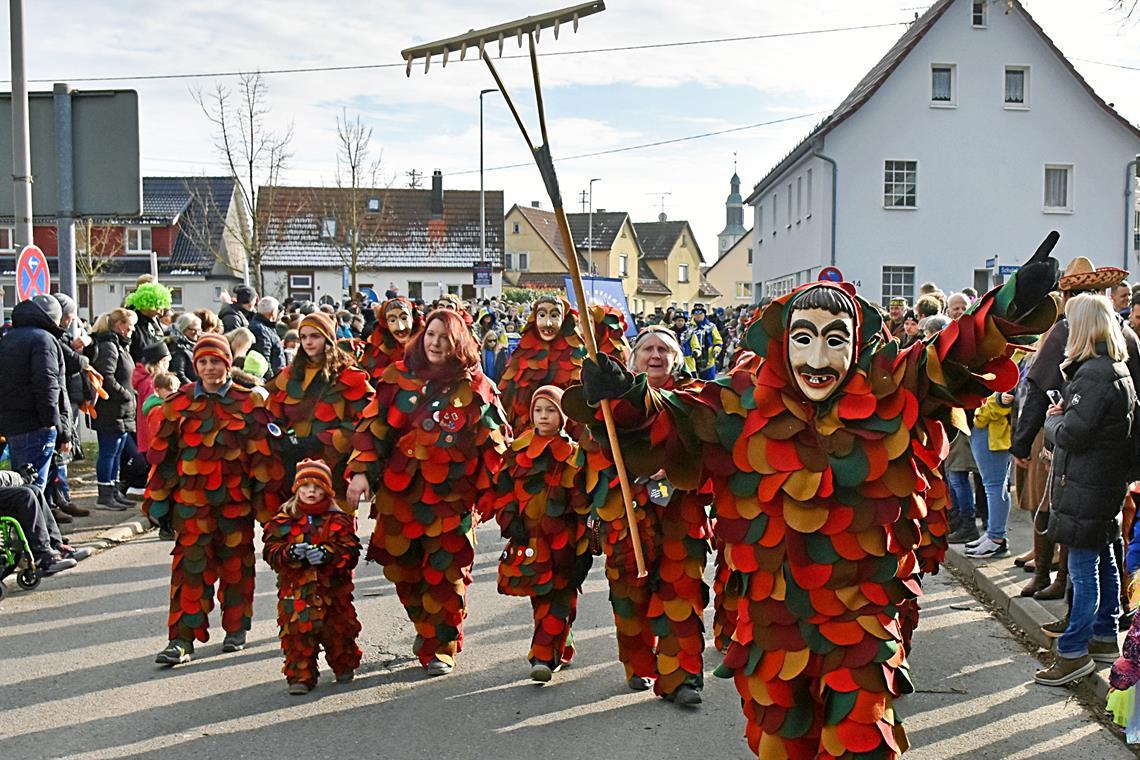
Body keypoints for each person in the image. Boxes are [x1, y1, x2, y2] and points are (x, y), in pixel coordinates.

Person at [575, 243, 1060, 756]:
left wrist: (1008, 305)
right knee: (781, 740)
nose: (818, 359)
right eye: (803, 339)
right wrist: (626, 396)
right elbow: (668, 418)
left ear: (857, 344)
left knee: (860, 739)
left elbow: (950, 358)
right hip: (769, 621)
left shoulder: (891, 390)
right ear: (783, 344)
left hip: (863, 618)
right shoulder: (738, 402)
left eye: (835, 340)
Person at [346, 309, 509, 676]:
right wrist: (360, 474)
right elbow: (372, 429)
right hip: (399, 495)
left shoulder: (476, 385)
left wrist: (495, 494)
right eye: (432, 335)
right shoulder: (398, 376)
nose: (436, 343)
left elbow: (495, 444)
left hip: (452, 498)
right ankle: (427, 626)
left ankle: (442, 646)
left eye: (445, 338)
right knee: (402, 569)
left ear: (459, 343)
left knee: (445, 573)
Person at [566, 326, 712, 707]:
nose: (656, 355)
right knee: (629, 593)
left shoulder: (694, 396)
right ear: (633, 358)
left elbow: (703, 445)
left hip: (681, 512)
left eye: (664, 349)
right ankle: (639, 665)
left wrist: (676, 465)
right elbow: (590, 456)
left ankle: (682, 678)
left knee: (682, 593)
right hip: (627, 512)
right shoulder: (609, 406)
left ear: (677, 358)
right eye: (647, 348)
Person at [145, 334, 283, 665]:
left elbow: (262, 461)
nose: (209, 368)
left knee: (237, 565)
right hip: (192, 504)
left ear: (227, 363)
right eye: (203, 362)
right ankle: (181, 641)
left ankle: (236, 628)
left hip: (236, 503)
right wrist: (158, 501)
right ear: (196, 366)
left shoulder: (248, 402)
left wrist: (269, 510)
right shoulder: (177, 404)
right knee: (189, 570)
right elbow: (164, 458)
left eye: (216, 361)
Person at [1035, 293, 1137, 686]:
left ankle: (1074, 651)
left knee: (1082, 568)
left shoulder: (1094, 373)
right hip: (1103, 481)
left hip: (1087, 483)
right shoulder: (1116, 367)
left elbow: (1075, 434)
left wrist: (1053, 422)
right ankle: (1103, 635)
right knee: (1104, 559)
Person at [494, 385, 590, 682]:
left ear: (562, 416)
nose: (544, 416)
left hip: (564, 540)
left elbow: (582, 500)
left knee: (561, 594)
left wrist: (585, 542)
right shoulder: (518, 450)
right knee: (541, 597)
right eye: (539, 410)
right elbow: (505, 489)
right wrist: (511, 521)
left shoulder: (573, 455)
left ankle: (543, 657)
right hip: (531, 539)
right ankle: (561, 644)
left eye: (551, 410)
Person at [263, 458, 362, 695]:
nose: (311, 492)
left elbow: (350, 550)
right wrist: (289, 552)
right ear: (297, 489)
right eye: (306, 486)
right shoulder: (283, 519)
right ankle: (300, 676)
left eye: (318, 488)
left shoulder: (337, 519)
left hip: (333, 591)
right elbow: (270, 550)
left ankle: (343, 666)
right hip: (295, 592)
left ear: (327, 491)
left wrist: (328, 553)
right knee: (297, 634)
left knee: (338, 631)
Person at [266, 311, 373, 512]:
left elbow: (365, 422)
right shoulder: (289, 375)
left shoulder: (349, 376)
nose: (308, 342)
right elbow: (272, 412)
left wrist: (324, 439)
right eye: (303, 337)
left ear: (328, 338)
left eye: (314, 336)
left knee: (334, 531)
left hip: (335, 465)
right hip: (294, 466)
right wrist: (281, 436)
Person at [0, 295, 73, 491]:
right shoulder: (44, 340)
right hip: (37, 424)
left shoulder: (9, 338)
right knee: (33, 489)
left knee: (22, 483)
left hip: (12, 423)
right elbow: (48, 385)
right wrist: (53, 424)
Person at [499, 296, 584, 431]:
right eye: (542, 315)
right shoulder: (521, 355)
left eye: (555, 315)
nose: (548, 323)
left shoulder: (577, 358)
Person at [90, 308, 139, 511]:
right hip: (112, 410)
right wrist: (125, 394)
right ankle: (105, 495)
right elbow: (106, 377)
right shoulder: (109, 346)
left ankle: (114, 491)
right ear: (119, 326)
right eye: (130, 326)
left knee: (117, 452)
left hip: (122, 410)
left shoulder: (121, 346)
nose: (133, 330)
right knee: (109, 452)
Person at [963, 389, 1016, 558]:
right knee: (993, 486)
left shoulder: (1009, 365)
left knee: (995, 486)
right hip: (983, 427)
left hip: (990, 429)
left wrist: (980, 415)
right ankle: (994, 535)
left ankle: (996, 538)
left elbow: (1006, 398)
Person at [363, 297, 422, 381]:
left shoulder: (427, 342)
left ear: (413, 318)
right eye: (392, 320)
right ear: (385, 324)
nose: (400, 327)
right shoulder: (379, 348)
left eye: (404, 318)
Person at [132, 342, 171, 454]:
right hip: (152, 436)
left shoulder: (147, 380)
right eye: (167, 361)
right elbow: (153, 410)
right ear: (160, 362)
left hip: (147, 436)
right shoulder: (151, 383)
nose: (168, 365)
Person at [126, 283, 172, 363]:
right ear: (147, 305)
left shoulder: (155, 320)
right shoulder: (133, 321)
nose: (161, 314)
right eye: (158, 308)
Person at [250, 297, 286, 377]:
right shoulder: (261, 330)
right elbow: (264, 357)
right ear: (273, 312)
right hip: (270, 379)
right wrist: (271, 380)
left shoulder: (266, 327)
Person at [688, 304, 724, 380]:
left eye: (700, 314)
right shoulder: (688, 327)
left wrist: (716, 350)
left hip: (708, 362)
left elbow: (718, 341)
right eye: (696, 314)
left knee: (708, 386)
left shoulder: (711, 326)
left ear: (704, 314)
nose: (698, 316)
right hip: (692, 361)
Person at [167, 313, 201, 385]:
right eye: (193, 330)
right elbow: (178, 373)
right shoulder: (177, 346)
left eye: (199, 330)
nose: (197, 333)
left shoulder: (193, 344)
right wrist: (194, 389)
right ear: (183, 328)